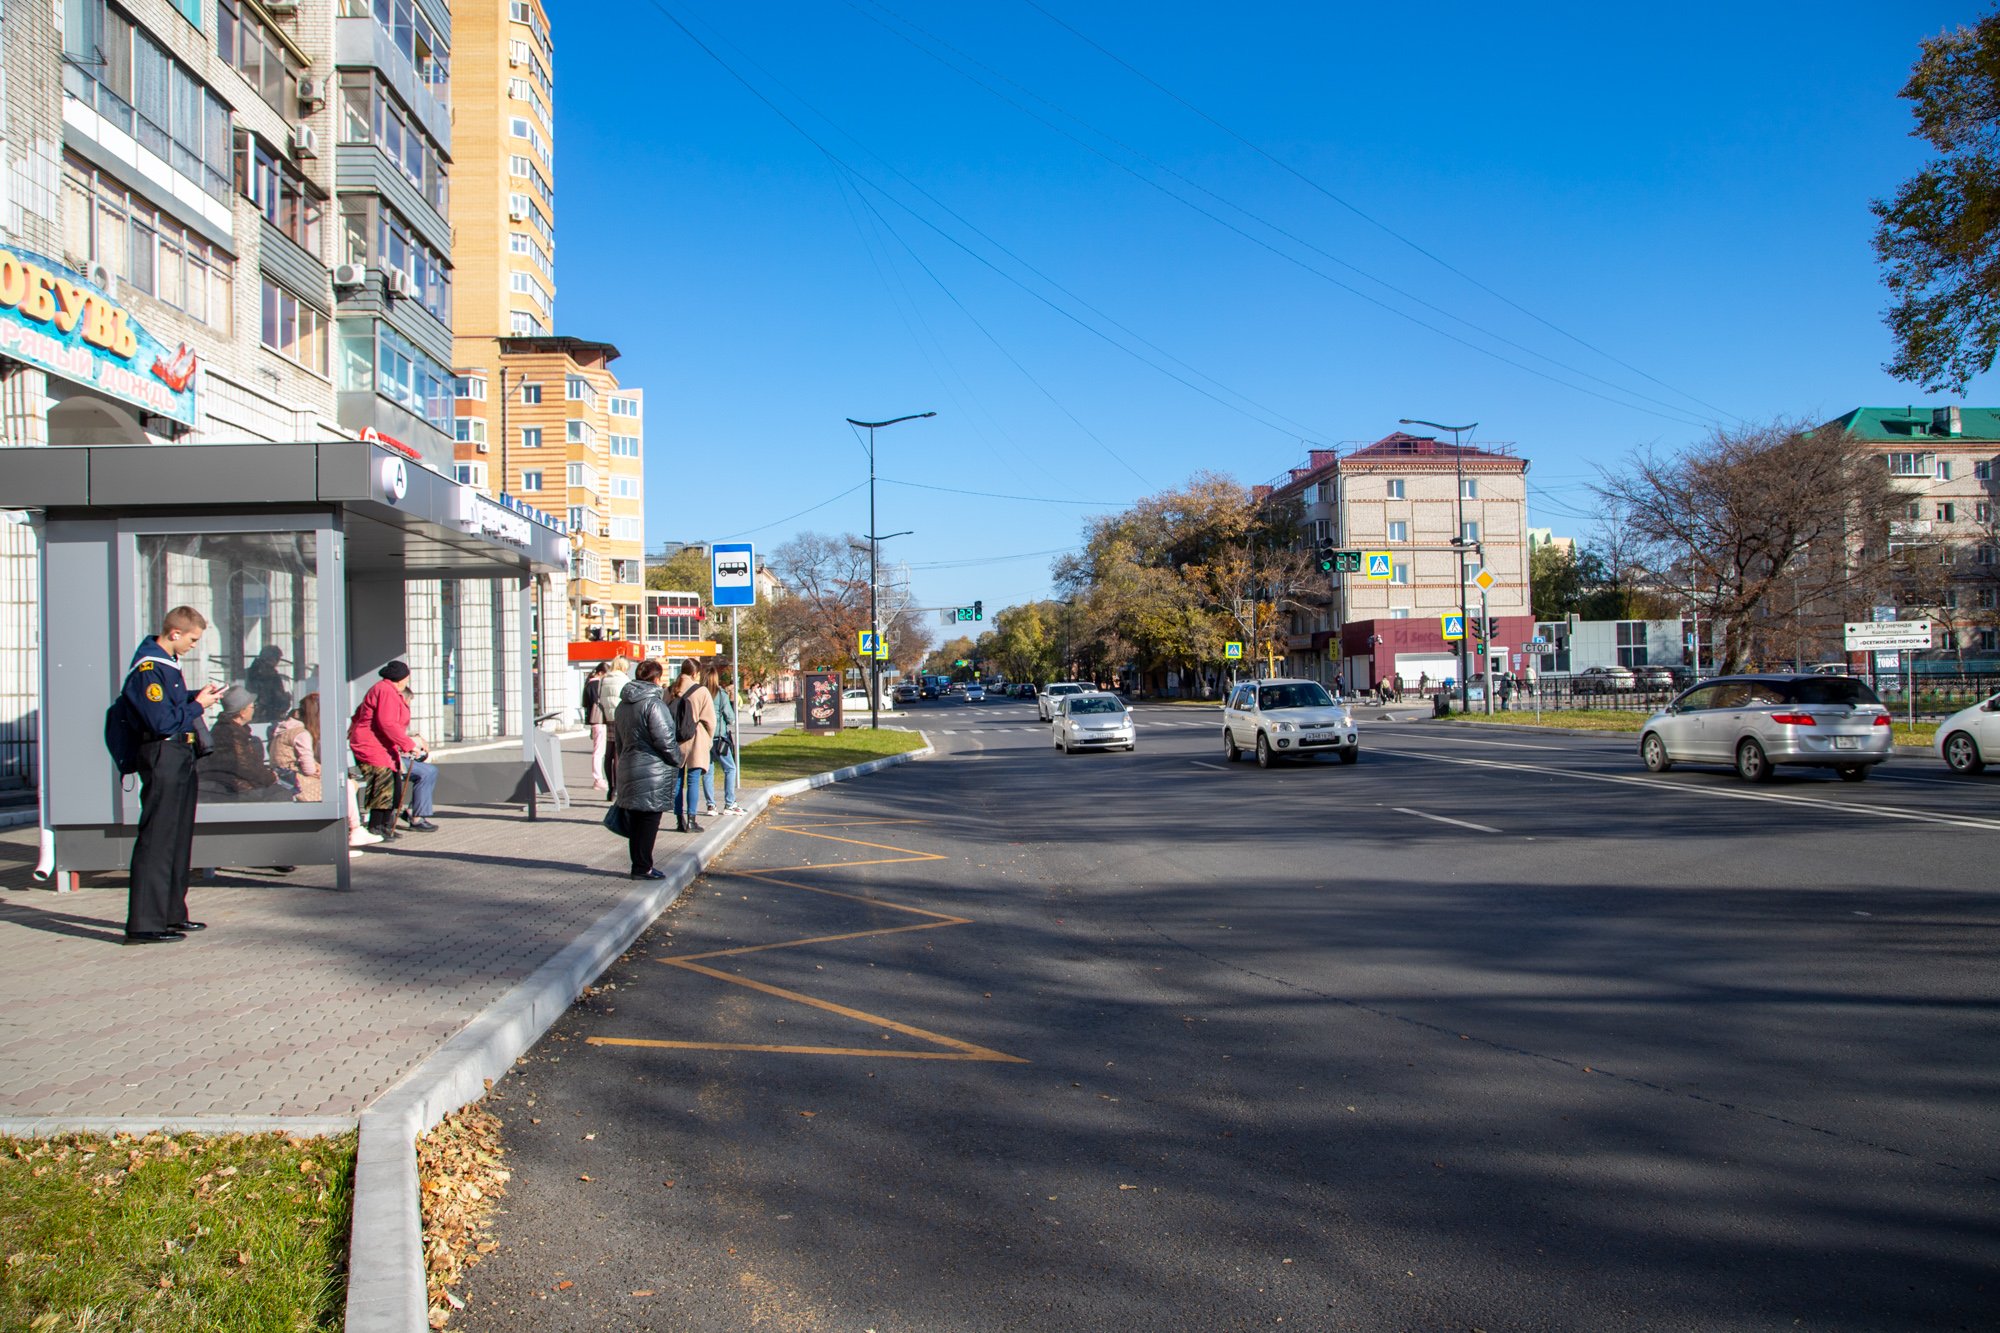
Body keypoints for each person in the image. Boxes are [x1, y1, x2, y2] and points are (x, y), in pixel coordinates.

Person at [116, 606, 225, 943]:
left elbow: (169, 707)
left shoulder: (168, 666)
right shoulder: (149, 668)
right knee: (158, 839)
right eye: (192, 639)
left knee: (177, 838)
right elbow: (160, 720)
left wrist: (195, 697)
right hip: (163, 752)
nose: (194, 645)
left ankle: (172, 913)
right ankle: (144, 923)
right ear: (174, 633)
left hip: (180, 753)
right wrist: (198, 706)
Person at [613, 659, 682, 878]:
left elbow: (620, 741)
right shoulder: (654, 704)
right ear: (656, 678)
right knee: (649, 820)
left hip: (628, 766)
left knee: (636, 821)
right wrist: (678, 758)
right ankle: (643, 867)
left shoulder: (623, 705)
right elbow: (665, 740)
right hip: (652, 770)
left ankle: (639, 865)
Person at [349, 661, 422, 840]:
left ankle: (386, 824)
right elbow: (387, 723)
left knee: (392, 782)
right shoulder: (385, 691)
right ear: (401, 678)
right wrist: (409, 744)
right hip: (372, 745)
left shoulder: (386, 689)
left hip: (381, 745)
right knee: (382, 783)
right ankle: (376, 826)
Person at [199, 686, 290, 801]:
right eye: (252, 706)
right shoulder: (230, 732)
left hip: (234, 784)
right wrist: (270, 777)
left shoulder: (234, 729)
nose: (254, 709)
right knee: (282, 794)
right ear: (242, 712)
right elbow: (244, 766)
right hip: (232, 789)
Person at [669, 658, 715, 833]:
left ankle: (679, 820)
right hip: (696, 739)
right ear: (695, 673)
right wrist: (708, 739)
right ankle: (691, 820)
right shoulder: (701, 691)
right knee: (693, 780)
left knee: (678, 780)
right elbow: (710, 721)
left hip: (675, 741)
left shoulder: (670, 690)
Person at [704, 663, 746, 816]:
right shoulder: (720, 694)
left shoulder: (700, 693)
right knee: (730, 768)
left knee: (708, 770)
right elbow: (730, 717)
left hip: (703, 738)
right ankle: (729, 803)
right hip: (718, 737)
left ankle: (710, 805)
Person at [597, 655, 632, 796]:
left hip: (608, 718)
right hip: (621, 718)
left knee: (609, 752)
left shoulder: (604, 679)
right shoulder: (624, 680)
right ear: (624, 667)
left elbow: (600, 698)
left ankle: (610, 788)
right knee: (618, 753)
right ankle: (618, 787)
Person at [245, 645, 291, 724]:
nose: (277, 663)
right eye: (277, 659)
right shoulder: (272, 676)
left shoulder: (247, 672)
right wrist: (286, 698)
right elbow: (278, 699)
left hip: (250, 714)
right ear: (272, 659)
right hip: (268, 716)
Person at [582, 663, 610, 792]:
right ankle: (598, 779)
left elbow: (586, 703)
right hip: (600, 719)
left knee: (598, 750)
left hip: (594, 720)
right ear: (600, 673)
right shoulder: (597, 684)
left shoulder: (588, 683)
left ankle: (598, 779)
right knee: (599, 751)